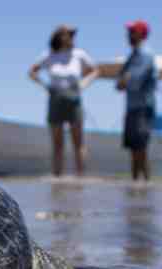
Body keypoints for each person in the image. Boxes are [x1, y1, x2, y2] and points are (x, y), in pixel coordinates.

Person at [28, 24, 98, 177]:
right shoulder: (50, 55)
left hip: (74, 98)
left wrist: (84, 83)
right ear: (59, 36)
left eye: (73, 35)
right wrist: (45, 86)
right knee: (57, 143)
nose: (71, 37)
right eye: (68, 34)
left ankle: (81, 178)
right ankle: (57, 178)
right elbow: (32, 71)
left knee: (77, 142)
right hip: (56, 99)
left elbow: (95, 70)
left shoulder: (79, 54)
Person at [115, 19, 158, 181]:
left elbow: (135, 81)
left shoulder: (146, 54)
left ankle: (146, 186)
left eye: (132, 32)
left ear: (141, 34)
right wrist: (125, 79)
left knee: (141, 149)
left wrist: (125, 79)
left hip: (143, 107)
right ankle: (135, 188)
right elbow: (119, 83)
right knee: (133, 150)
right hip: (132, 107)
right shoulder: (132, 56)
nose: (128, 35)